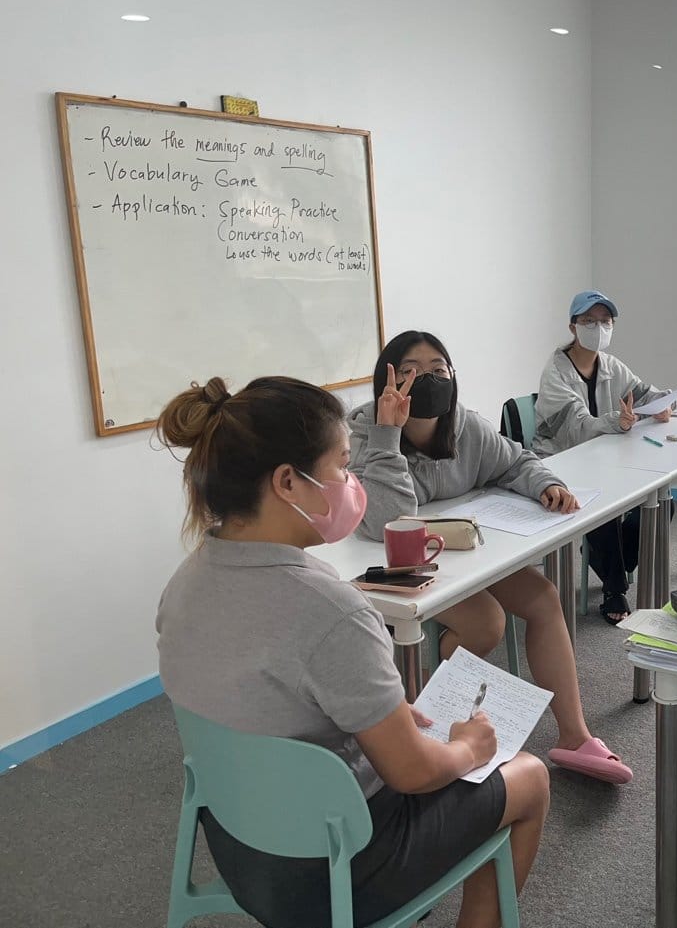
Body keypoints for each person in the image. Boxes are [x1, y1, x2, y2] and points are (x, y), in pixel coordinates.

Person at [155, 375, 550, 928]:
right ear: (288, 482)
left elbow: (256, 695)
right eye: (342, 466)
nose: (351, 483)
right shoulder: (331, 610)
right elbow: (412, 772)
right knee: (529, 777)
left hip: (240, 849)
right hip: (331, 873)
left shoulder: (185, 581)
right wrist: (469, 748)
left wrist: (371, 711)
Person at [348, 329, 633, 784]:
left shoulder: (464, 425)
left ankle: (574, 736)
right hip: (396, 564)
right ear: (387, 381)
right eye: (409, 371)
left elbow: (515, 461)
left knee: (543, 597)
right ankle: (425, 711)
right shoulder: (366, 435)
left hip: (461, 550)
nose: (426, 379)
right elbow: (385, 519)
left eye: (437, 369)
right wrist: (388, 433)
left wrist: (546, 484)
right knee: (486, 623)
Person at [533, 290, 673, 623]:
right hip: (561, 460)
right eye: (589, 321)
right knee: (603, 509)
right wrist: (617, 421)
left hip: (604, 455)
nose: (598, 328)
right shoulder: (556, 373)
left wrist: (664, 404)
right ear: (573, 327)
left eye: (605, 321)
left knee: (660, 504)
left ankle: (605, 558)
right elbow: (577, 428)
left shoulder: (610, 365)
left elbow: (644, 393)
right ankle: (614, 588)